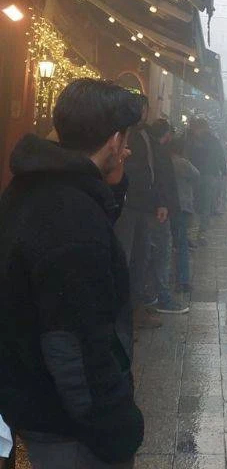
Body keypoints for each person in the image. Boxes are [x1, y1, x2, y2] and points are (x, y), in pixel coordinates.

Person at [0, 78, 147, 467]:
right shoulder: (71, 218)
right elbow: (74, 346)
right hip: (67, 429)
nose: (128, 150)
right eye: (126, 140)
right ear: (114, 142)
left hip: (30, 398)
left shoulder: (32, 188)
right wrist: (117, 427)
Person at [137, 119, 184, 316]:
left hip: (151, 206)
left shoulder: (147, 143)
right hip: (157, 208)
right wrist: (163, 203)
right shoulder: (153, 148)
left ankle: (148, 294)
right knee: (161, 250)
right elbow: (159, 179)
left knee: (148, 251)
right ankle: (161, 296)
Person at [186, 118, 226, 246]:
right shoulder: (214, 140)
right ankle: (201, 233)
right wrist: (223, 172)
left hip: (195, 175)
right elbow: (221, 156)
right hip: (209, 175)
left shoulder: (192, 139)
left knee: (193, 202)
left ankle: (190, 232)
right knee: (205, 205)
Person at [167, 137, 200, 294]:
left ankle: (167, 277)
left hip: (167, 206)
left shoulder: (164, 160)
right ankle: (183, 280)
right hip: (182, 205)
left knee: (169, 242)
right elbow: (196, 175)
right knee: (181, 244)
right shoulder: (182, 162)